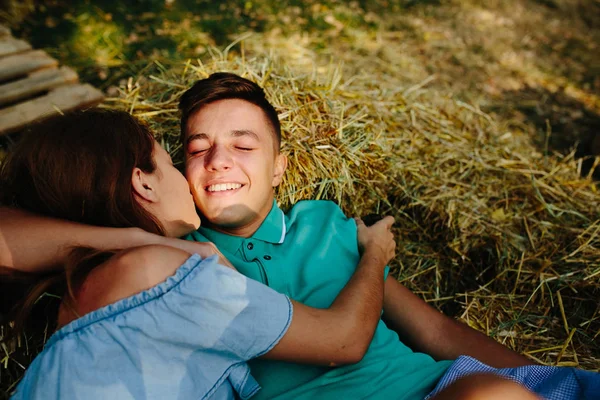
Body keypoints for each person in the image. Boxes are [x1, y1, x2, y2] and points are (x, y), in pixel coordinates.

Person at [2, 74, 598, 399]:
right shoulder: (175, 257)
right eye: (196, 149)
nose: (218, 162)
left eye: (243, 145)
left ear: (281, 166)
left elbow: (434, 328)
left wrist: (552, 380)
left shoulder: (326, 226)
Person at [0, 109, 397, 399]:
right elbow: (343, 340)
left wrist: (134, 239)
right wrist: (376, 252)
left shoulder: (78, 291)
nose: (188, 179)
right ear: (143, 182)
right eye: (172, 162)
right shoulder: (167, 270)